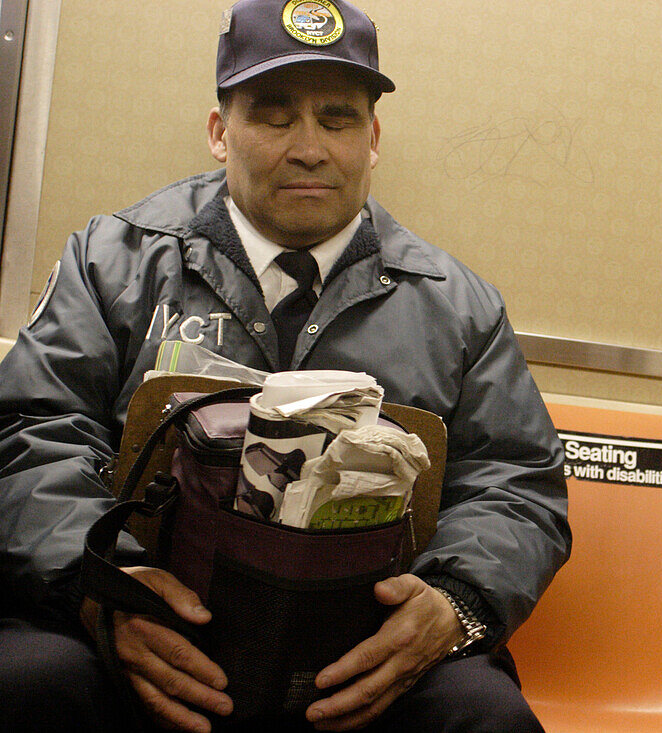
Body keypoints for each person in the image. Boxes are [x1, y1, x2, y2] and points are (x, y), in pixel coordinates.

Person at [0, 1, 570, 731]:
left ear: (372, 139)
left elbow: (517, 482)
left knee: (484, 715)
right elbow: (30, 429)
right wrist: (99, 589)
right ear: (218, 132)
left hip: (359, 661)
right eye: (274, 116)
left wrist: (452, 605)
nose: (310, 147)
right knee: (27, 681)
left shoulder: (458, 308)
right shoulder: (112, 264)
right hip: (141, 624)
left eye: (337, 119)